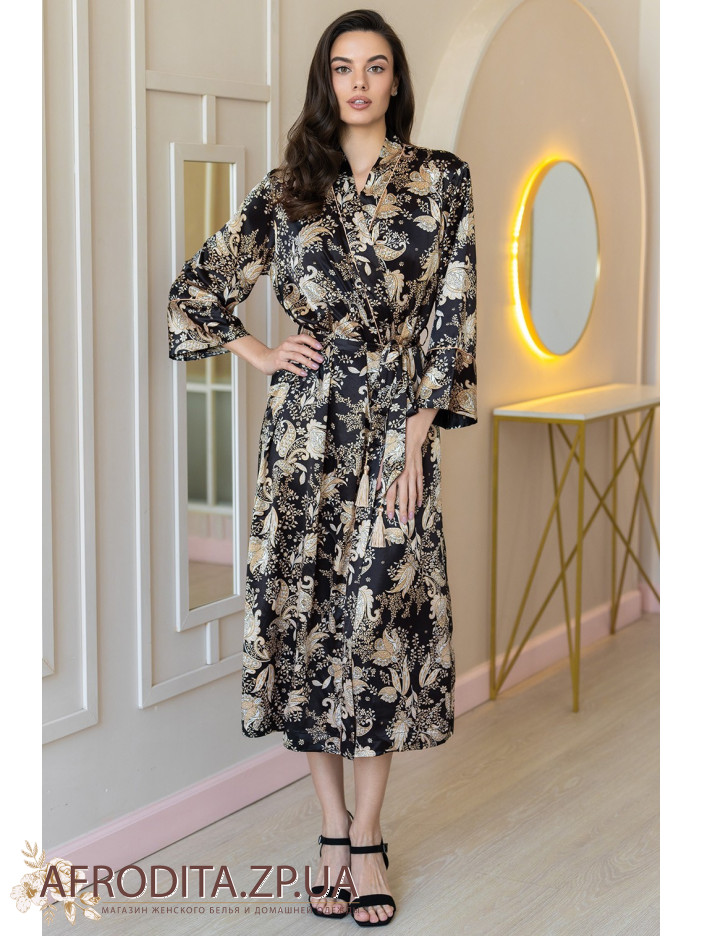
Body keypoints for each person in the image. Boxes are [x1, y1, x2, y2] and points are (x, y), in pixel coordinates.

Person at [167, 8, 477, 927]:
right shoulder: (288, 187)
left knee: (377, 627)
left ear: (395, 80)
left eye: (375, 67)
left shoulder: (442, 181)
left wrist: (417, 434)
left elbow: (452, 317)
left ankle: (371, 834)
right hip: (304, 437)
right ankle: (333, 831)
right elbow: (197, 290)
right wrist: (262, 352)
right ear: (325, 80)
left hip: (396, 434)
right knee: (307, 627)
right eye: (343, 67)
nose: (359, 83)